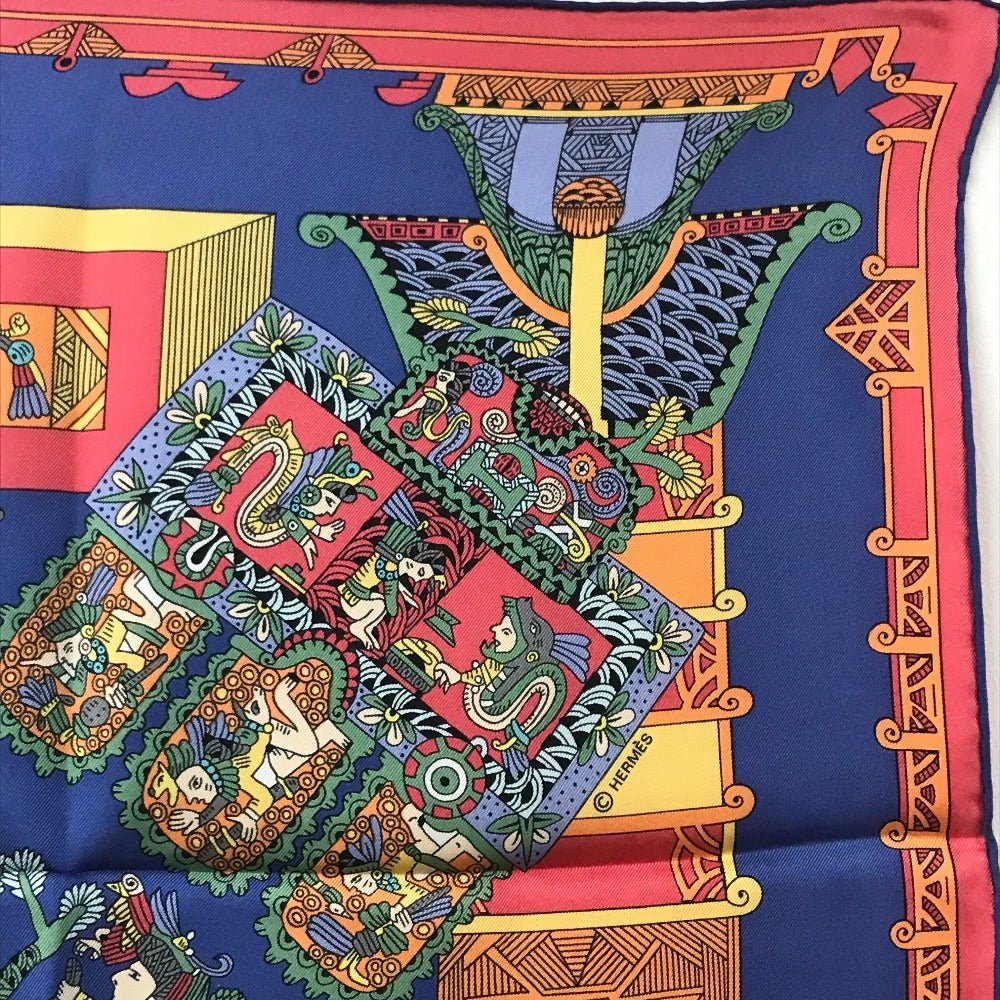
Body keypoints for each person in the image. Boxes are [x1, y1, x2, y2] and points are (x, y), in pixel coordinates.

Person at [435, 596, 589, 776]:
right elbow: (482, 675)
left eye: (506, 631)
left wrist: (520, 736)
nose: (494, 629)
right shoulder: (496, 663)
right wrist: (458, 677)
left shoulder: (531, 673)